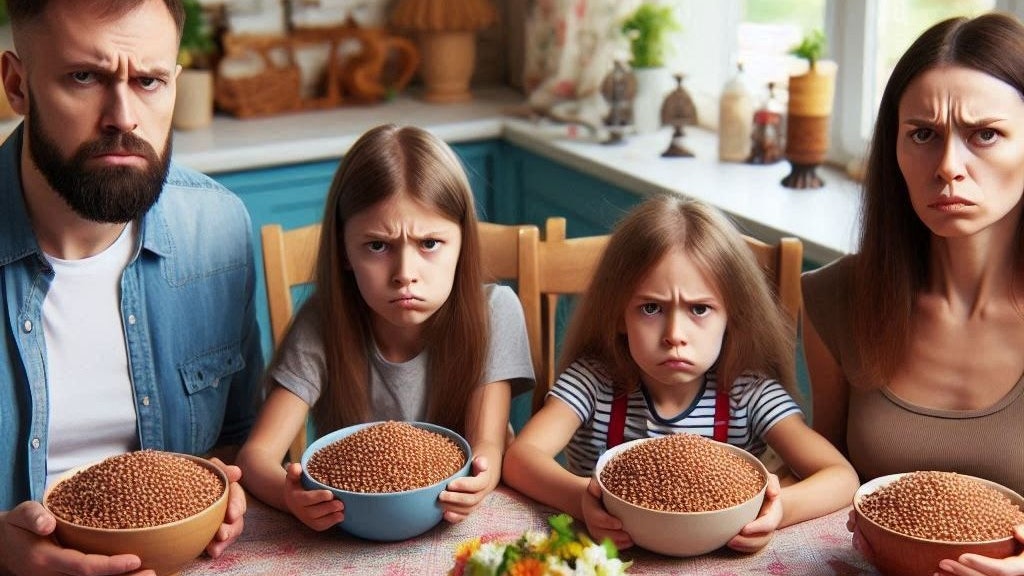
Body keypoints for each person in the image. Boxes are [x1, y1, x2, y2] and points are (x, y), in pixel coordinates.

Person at [0, 0, 264, 574]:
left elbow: (240, 434)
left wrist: (221, 490)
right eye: (84, 77)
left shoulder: (217, 232)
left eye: (149, 80)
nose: (123, 116)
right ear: (17, 85)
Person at [503, 196, 858, 553]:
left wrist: (777, 509)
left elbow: (840, 477)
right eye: (651, 308)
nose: (675, 334)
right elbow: (520, 459)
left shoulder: (747, 392)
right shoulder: (593, 382)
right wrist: (581, 498)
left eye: (700, 309)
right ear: (618, 316)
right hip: (609, 555)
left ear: (731, 319)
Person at [802, 12, 1024, 575]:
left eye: (986, 134)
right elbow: (826, 477)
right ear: (893, 150)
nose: (949, 167)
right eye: (923, 134)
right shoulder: (835, 300)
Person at [235, 124, 534, 531]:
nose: (405, 274)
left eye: (430, 243)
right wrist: (289, 496)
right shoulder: (324, 323)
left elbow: (486, 445)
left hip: (459, 523)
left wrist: (480, 478)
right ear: (343, 250)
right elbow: (256, 457)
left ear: (463, 242)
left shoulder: (494, 312)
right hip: (350, 529)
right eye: (378, 246)